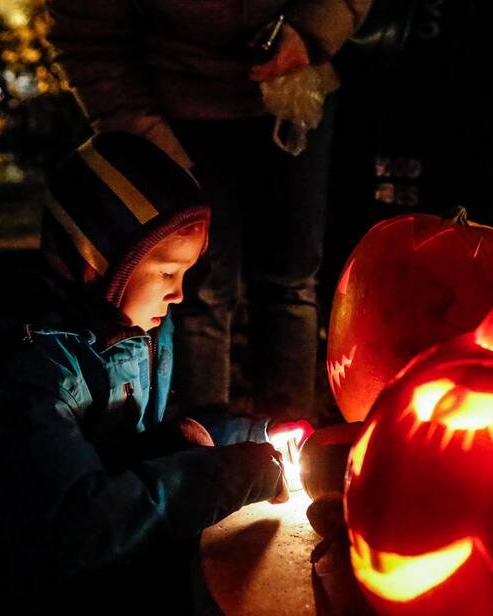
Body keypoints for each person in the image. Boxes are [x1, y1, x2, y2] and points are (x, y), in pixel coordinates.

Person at [0, 133, 295, 616]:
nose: (180, 295)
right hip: (7, 592)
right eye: (167, 273)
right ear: (97, 261)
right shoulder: (30, 368)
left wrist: (257, 432)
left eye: (185, 275)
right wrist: (231, 475)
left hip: (83, 539)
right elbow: (79, 521)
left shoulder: (129, 328)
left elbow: (153, 432)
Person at [45, 0, 372, 420]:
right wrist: (148, 140)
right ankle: (204, 450)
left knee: (292, 282)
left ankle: (289, 446)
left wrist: (312, 30)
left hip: (294, 90)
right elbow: (87, 36)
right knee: (199, 290)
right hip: (177, 109)